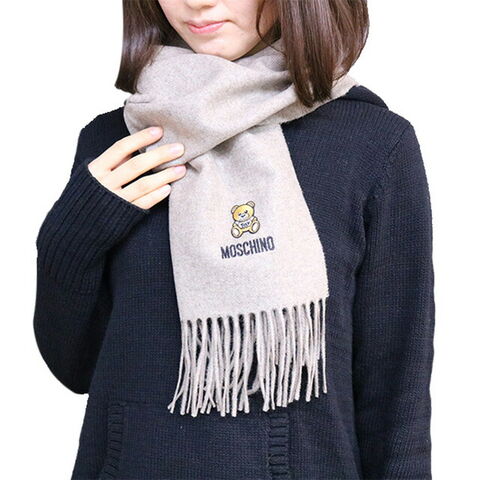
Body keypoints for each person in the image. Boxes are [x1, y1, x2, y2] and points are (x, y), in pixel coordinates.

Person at [33, 1, 435, 479]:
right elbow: (75, 368)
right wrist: (71, 234)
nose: (197, 2)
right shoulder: (114, 145)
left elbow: (397, 392)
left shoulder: (372, 143)